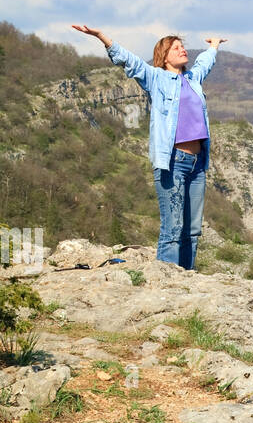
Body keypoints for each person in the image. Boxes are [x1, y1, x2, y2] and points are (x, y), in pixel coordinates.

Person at [70, 26, 227, 270]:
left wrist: (214, 45)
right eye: (176, 48)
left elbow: (205, 62)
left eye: (182, 46)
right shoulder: (156, 78)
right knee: (173, 229)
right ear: (164, 57)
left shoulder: (193, 79)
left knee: (192, 231)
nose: (182, 49)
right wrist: (103, 38)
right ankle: (165, 283)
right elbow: (130, 62)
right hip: (173, 161)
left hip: (197, 165)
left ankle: (187, 280)